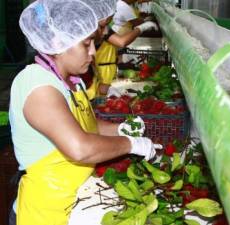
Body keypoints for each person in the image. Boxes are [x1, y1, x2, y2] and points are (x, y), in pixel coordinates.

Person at [8, 0, 161, 224]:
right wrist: (130, 144)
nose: (93, 52)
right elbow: (79, 148)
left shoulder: (72, 81)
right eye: (86, 44)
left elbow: (85, 123)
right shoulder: (37, 84)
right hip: (45, 213)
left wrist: (119, 129)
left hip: (76, 203)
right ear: (59, 42)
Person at [80, 0, 158, 98]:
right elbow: (121, 42)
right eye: (102, 26)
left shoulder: (100, 30)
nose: (105, 32)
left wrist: (108, 89)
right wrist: (141, 28)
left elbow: (93, 86)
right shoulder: (79, 62)